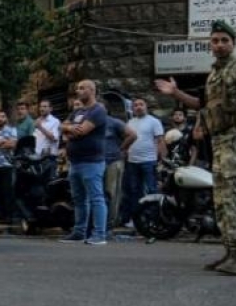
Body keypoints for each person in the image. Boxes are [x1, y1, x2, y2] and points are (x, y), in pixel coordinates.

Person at [156, 21, 236, 275]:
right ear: (209, 45)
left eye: (225, 40)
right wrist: (176, 93)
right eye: (215, 40)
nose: (220, 44)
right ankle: (229, 251)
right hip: (220, 142)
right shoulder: (214, 74)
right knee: (223, 201)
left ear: (233, 44)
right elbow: (201, 104)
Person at [60, 80, 108, 245]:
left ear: (91, 90)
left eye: (81, 88)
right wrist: (70, 129)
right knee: (79, 199)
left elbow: (82, 131)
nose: (78, 91)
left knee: (96, 198)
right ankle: (79, 232)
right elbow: (62, 126)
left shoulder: (98, 111)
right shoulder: (78, 111)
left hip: (92, 162)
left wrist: (70, 130)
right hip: (75, 162)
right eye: (77, 88)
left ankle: (99, 234)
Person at [120, 98, 166, 227]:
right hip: (132, 161)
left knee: (152, 190)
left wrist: (162, 159)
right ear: (133, 109)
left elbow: (160, 140)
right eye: (136, 105)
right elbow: (127, 140)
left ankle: (154, 219)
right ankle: (137, 220)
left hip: (149, 161)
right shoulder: (130, 122)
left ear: (146, 106)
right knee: (134, 191)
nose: (138, 107)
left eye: (141, 104)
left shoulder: (154, 121)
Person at [102, 103, 135, 232]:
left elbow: (132, 135)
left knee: (112, 192)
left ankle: (111, 222)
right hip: (97, 161)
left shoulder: (114, 122)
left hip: (113, 161)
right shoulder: (92, 123)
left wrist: (121, 148)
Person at [0, 109, 17, 225]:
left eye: (3, 116)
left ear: (6, 118)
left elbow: (13, 144)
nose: (0, 118)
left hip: (7, 164)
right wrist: (3, 141)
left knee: (7, 191)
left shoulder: (12, 129)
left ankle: (8, 216)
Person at [34, 99, 61, 166]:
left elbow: (54, 138)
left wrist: (40, 127)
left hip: (49, 157)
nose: (42, 109)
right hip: (38, 157)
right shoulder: (38, 120)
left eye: (45, 106)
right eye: (40, 106)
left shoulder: (55, 121)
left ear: (51, 108)